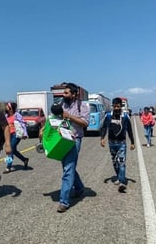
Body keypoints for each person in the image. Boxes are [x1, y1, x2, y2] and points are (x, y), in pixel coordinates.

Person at [40, 82, 89, 213]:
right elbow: (53, 118)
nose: (64, 94)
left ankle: (64, 201)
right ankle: (79, 188)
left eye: (67, 93)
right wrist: (43, 129)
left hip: (74, 140)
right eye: (64, 92)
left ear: (74, 94)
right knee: (69, 167)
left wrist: (70, 116)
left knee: (68, 169)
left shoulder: (82, 106)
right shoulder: (61, 105)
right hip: (61, 139)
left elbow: (85, 123)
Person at [100, 97, 135, 193]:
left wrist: (132, 142)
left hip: (122, 143)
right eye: (114, 106)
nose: (116, 108)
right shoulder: (108, 116)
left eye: (118, 106)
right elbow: (104, 128)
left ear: (121, 106)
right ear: (112, 106)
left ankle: (122, 182)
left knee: (121, 162)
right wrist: (102, 138)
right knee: (115, 162)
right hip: (112, 143)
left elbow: (129, 130)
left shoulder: (125, 117)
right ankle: (119, 177)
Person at [3, 102, 29, 173]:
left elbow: (23, 124)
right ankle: (24, 159)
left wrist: (25, 134)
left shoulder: (17, 115)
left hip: (16, 134)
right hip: (8, 135)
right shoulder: (6, 116)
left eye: (7, 106)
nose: (6, 107)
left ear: (11, 108)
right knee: (13, 150)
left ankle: (8, 167)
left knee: (10, 149)